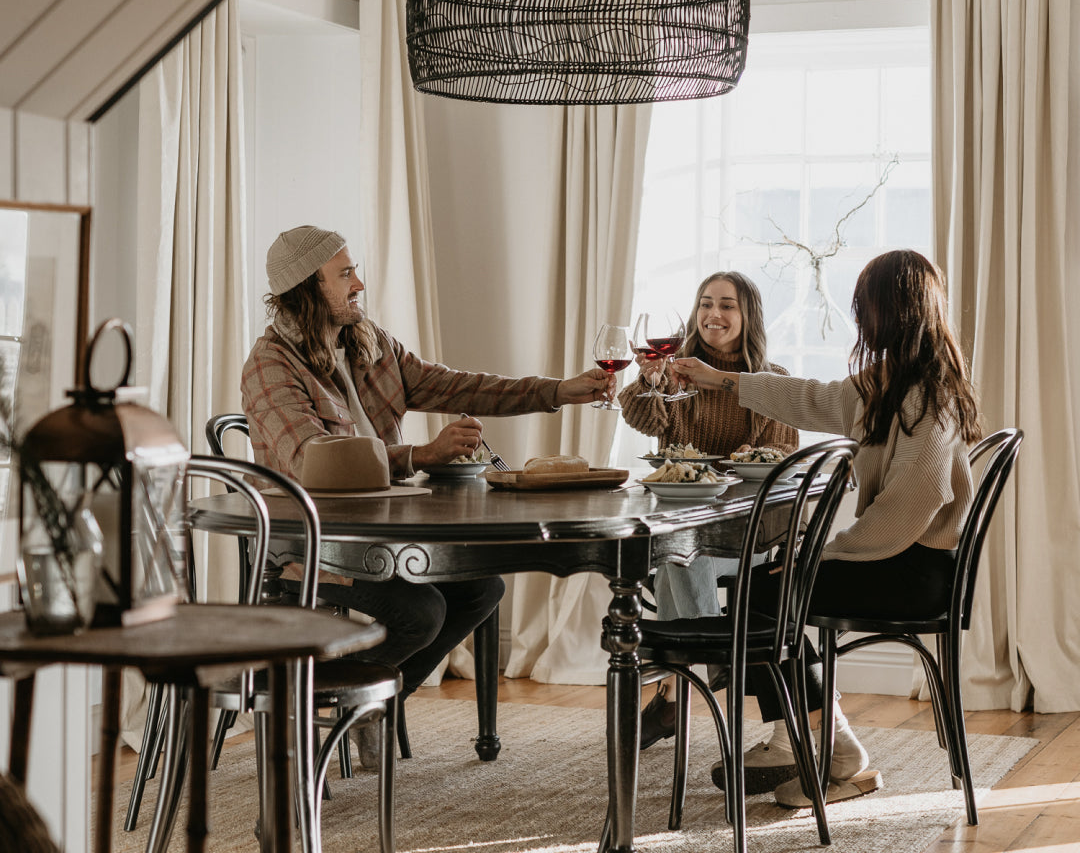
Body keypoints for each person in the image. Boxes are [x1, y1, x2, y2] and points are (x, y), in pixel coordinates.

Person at [242, 225, 614, 764]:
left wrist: (556, 391)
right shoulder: (270, 365)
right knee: (419, 610)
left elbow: (456, 385)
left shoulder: (367, 341)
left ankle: (372, 706)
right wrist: (419, 457)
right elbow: (312, 461)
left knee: (482, 590)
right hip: (314, 549)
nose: (358, 283)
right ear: (306, 286)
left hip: (384, 537)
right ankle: (330, 706)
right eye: (344, 274)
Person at [670, 249, 982, 807]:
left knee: (760, 593)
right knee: (760, 590)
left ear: (897, 309)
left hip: (915, 570)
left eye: (865, 303)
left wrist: (824, 554)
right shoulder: (892, 380)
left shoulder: (925, 392)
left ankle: (818, 744)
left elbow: (916, 499)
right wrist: (725, 380)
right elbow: (811, 398)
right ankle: (827, 743)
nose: (858, 313)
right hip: (903, 559)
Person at [618, 272, 798, 753]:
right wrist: (650, 379)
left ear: (748, 317)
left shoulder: (771, 383)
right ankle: (699, 675)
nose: (713, 314)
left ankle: (684, 685)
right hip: (685, 527)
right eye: (705, 303)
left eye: (728, 305)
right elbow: (641, 417)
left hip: (753, 540)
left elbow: (777, 469)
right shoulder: (678, 376)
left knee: (682, 555)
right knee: (676, 551)